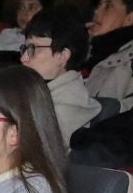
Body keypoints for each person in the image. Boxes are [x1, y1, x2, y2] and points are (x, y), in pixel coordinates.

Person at [16, 8, 97, 141]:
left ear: (62, 56)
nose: (24, 58)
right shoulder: (36, 91)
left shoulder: (69, 109)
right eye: (25, 49)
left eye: (33, 49)